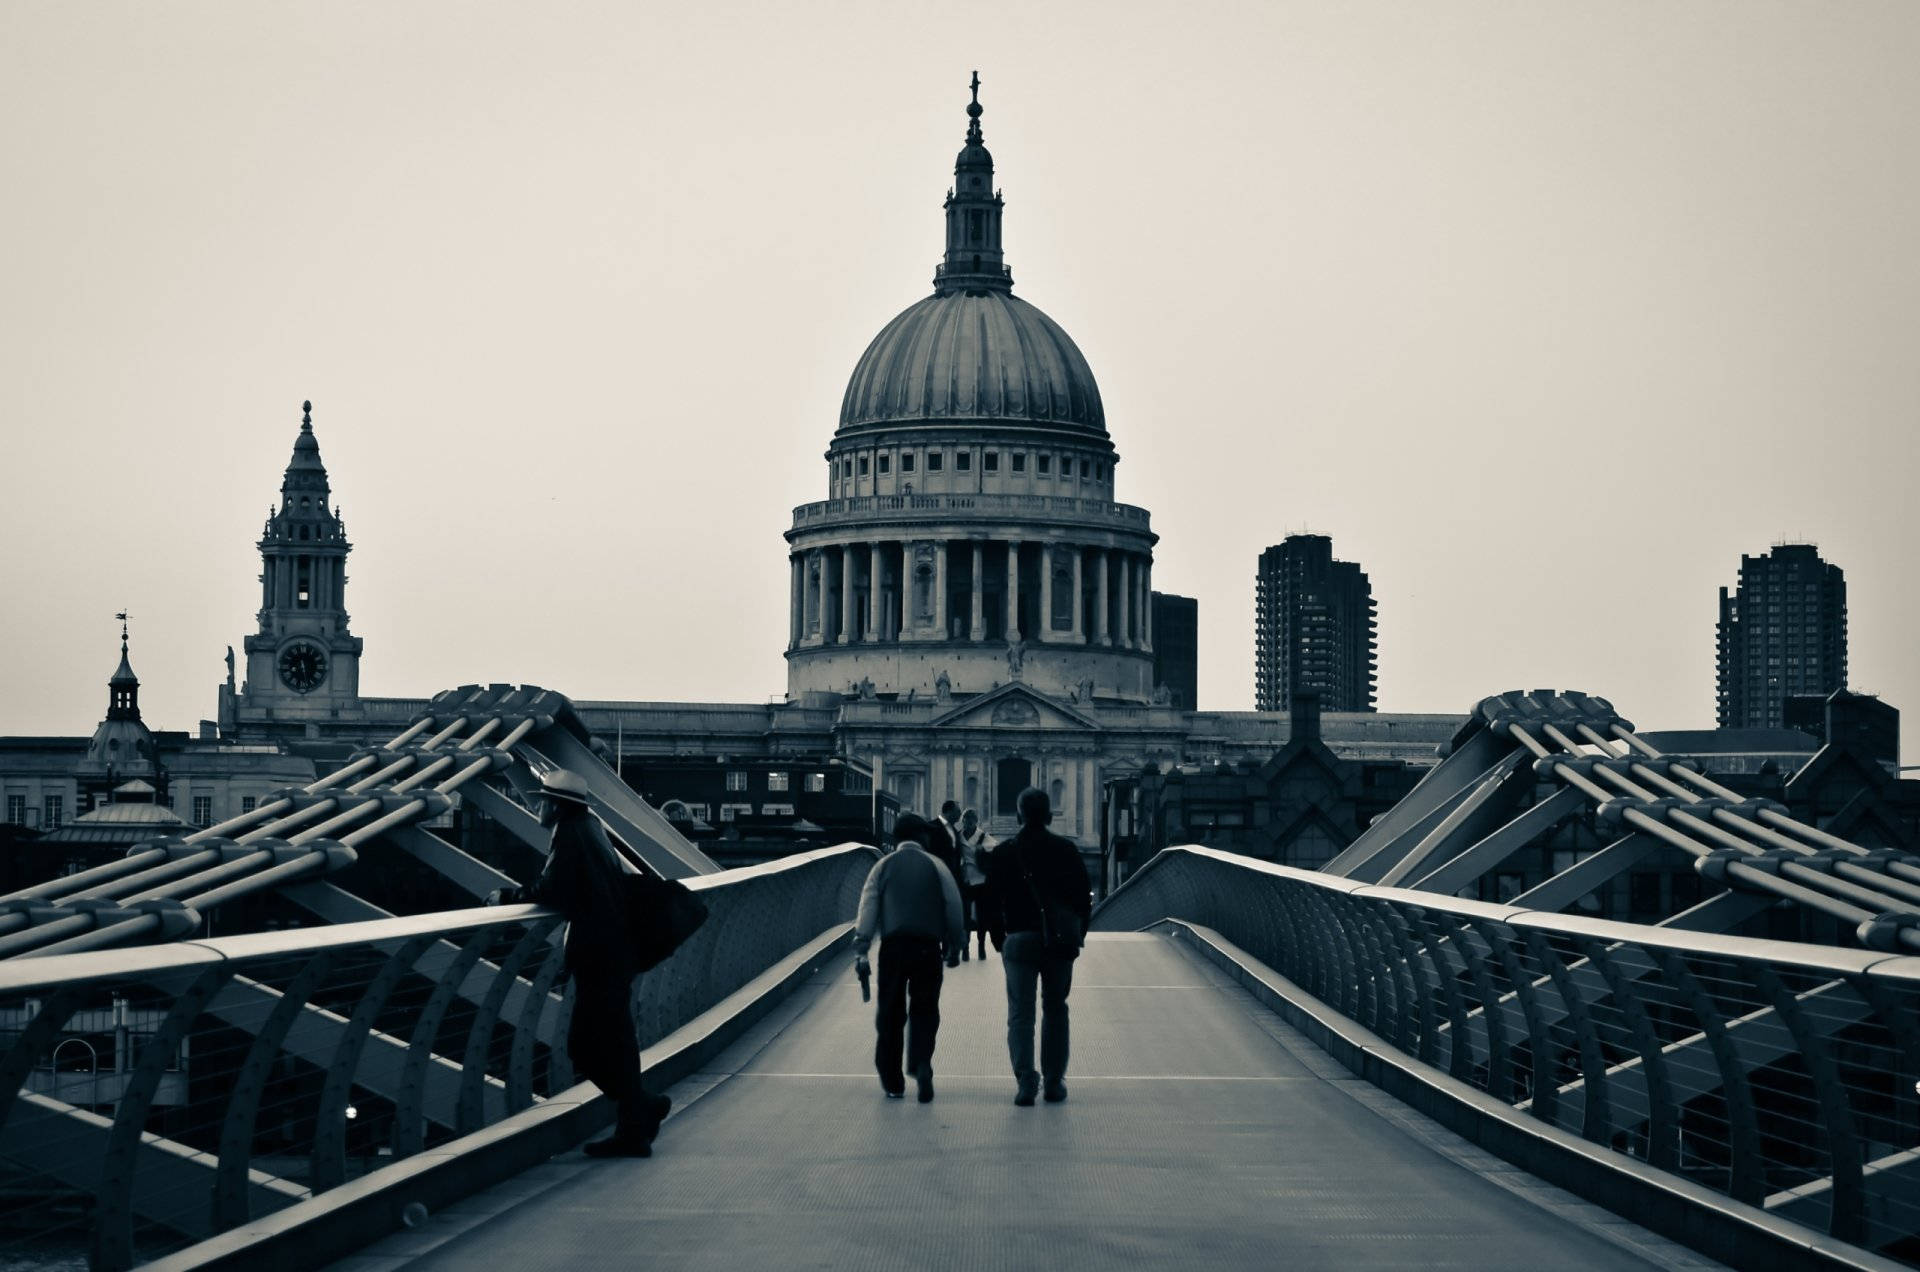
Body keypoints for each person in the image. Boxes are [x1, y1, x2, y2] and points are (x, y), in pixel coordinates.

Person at [489, 769, 669, 1157]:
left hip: (600, 955)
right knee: (616, 1040)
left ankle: (641, 1108)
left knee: (584, 1045)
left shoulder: (570, 835)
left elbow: (554, 890)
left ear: (556, 805)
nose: (534, 806)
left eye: (540, 800)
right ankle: (635, 1124)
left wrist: (505, 896)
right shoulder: (590, 828)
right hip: (616, 951)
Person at [986, 787, 1092, 1107]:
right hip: (1058, 941)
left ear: (1019, 815)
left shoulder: (1004, 852)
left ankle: (1025, 1080)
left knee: (1020, 1014)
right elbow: (1083, 900)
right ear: (1049, 816)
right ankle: (1054, 1081)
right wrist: (1077, 935)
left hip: (1018, 939)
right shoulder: (1067, 850)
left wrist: (998, 939)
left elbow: (990, 902)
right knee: (1056, 1008)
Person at [853, 813, 965, 1102]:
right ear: (921, 837)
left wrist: (862, 945)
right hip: (928, 946)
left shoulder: (883, 866)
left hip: (894, 947)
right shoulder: (936, 865)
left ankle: (892, 1081)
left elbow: (869, 906)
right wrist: (956, 942)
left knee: (890, 1012)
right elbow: (953, 905)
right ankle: (921, 1063)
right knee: (925, 1008)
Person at [956, 807, 995, 960]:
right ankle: (965, 948)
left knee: (982, 915)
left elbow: (995, 848)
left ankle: (981, 945)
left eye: (970, 822)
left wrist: (982, 851)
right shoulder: (958, 837)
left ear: (976, 822)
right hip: (965, 879)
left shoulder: (983, 837)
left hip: (981, 879)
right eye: (965, 821)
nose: (967, 824)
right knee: (965, 914)